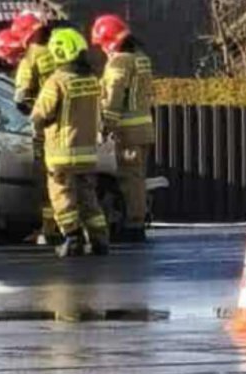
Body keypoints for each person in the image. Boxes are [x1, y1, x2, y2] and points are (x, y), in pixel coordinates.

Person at [31, 27, 110, 258]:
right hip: (87, 153)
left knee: (62, 197)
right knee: (88, 198)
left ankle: (72, 238)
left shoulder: (57, 81)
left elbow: (40, 114)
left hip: (61, 154)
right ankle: (100, 240)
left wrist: (35, 126)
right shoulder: (92, 80)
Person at [92, 14, 156, 243]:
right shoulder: (141, 58)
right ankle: (136, 220)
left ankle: (133, 224)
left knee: (129, 179)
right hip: (143, 129)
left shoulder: (119, 61)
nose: (102, 50)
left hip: (127, 132)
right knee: (136, 177)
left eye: (102, 44)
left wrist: (105, 125)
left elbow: (114, 95)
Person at [11, 10, 61, 245]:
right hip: (70, 125)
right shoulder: (59, 51)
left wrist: (34, 114)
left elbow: (20, 99)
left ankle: (50, 229)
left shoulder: (32, 56)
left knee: (46, 179)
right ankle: (64, 226)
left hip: (44, 129)